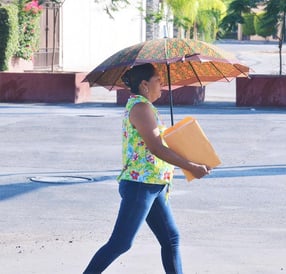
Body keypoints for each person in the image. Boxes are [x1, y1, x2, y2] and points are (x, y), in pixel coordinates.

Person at [83, 63, 211, 274]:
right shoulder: (141, 108)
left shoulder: (145, 107)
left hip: (154, 184)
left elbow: (157, 145)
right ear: (144, 84)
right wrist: (191, 167)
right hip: (140, 185)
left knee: (171, 239)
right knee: (121, 243)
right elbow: (157, 148)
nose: (162, 85)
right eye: (158, 81)